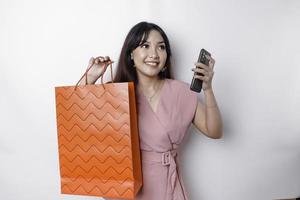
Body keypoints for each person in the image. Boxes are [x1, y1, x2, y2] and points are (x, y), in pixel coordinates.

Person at [80, 21, 223, 200]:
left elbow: (214, 131)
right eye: (145, 46)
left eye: (161, 47)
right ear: (131, 54)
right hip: (126, 188)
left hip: (166, 187)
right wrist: (90, 78)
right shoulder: (115, 93)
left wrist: (208, 88)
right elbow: (76, 121)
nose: (154, 54)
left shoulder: (181, 91)